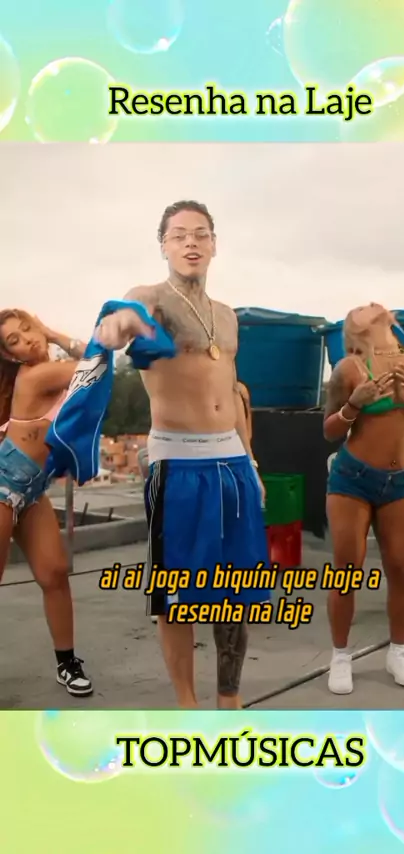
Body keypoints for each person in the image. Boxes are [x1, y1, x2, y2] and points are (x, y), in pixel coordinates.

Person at [95, 199, 269, 710]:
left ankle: (229, 699)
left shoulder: (227, 317)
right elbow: (127, 315)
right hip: (179, 463)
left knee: (237, 589)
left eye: (200, 234)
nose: (190, 242)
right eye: (178, 235)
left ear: (214, 244)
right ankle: (187, 707)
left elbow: (233, 390)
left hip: (232, 462)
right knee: (177, 596)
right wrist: (117, 326)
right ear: (164, 246)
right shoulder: (151, 298)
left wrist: (251, 461)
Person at [323, 302, 404, 695]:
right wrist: (354, 404)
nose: (371, 304)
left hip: (399, 481)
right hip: (352, 480)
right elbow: (329, 430)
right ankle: (340, 657)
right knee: (346, 569)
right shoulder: (349, 369)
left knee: (402, 567)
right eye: (361, 306)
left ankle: (399, 651)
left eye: (375, 303)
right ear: (353, 327)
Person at [0, 309, 93, 695]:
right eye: (15, 340)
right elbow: (95, 363)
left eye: (28, 329)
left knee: (54, 573)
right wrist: (53, 334)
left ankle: (67, 663)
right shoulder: (37, 375)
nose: (28, 339)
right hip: (3, 485)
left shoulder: (44, 372)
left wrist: (49, 333)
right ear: (11, 355)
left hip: (32, 490)